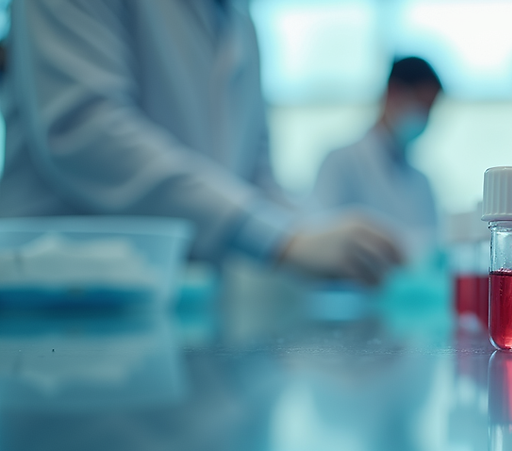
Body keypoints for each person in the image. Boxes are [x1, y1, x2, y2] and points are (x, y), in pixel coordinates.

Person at [0, 0, 401, 285]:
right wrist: (283, 242)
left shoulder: (240, 20)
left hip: (171, 292)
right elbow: (84, 130)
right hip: (48, 293)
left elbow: (254, 174)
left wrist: (328, 241)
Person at [313, 57, 441, 254]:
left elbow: (430, 249)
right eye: (420, 105)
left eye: (429, 110)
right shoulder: (341, 162)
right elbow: (320, 242)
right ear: (393, 93)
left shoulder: (422, 182)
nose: (423, 118)